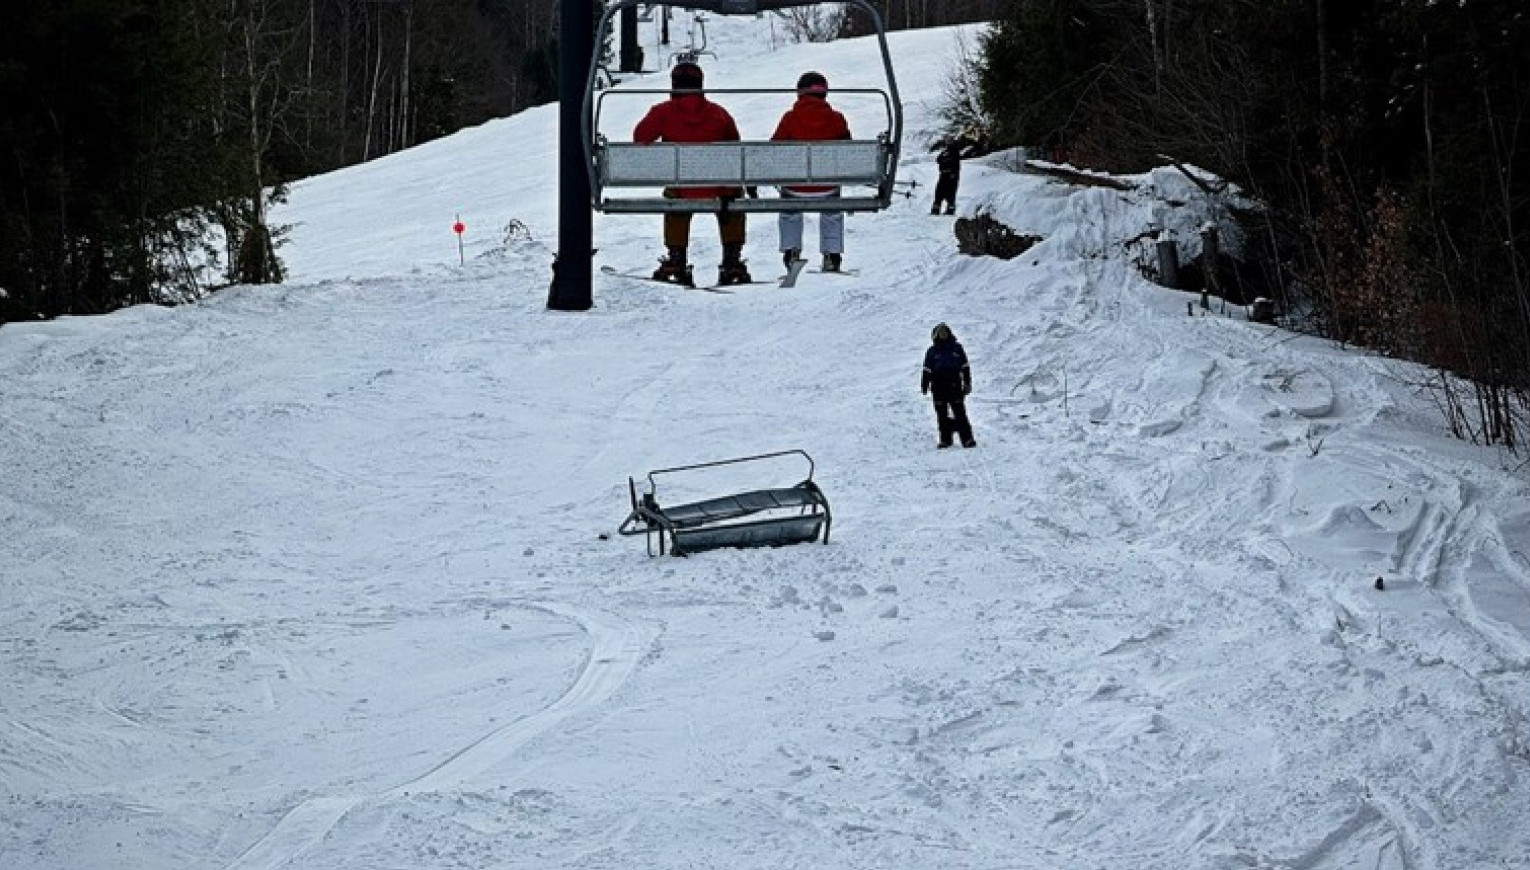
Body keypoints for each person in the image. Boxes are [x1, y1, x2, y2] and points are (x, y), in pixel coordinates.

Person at [633, 61, 752, 287]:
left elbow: (640, 137)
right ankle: (732, 261)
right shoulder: (719, 114)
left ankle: (676, 260)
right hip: (720, 190)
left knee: (675, 196)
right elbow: (735, 148)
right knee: (734, 195)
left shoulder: (663, 112)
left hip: (683, 188)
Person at [770, 71, 851, 273]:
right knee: (832, 211)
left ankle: (791, 251)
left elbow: (774, 149)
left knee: (790, 211)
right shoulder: (836, 118)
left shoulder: (790, 118)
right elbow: (849, 150)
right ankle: (832, 255)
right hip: (827, 186)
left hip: (796, 187)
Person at [921, 322, 976, 448]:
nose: (943, 334)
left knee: (960, 413)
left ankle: (967, 439)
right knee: (942, 414)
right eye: (940, 333)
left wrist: (967, 383)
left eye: (945, 332)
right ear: (936, 335)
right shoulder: (932, 351)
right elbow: (927, 369)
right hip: (938, 387)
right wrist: (924, 384)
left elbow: (965, 367)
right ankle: (945, 439)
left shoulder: (957, 348)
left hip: (954, 385)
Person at [930, 130, 980, 216]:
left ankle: (950, 210)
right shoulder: (945, 151)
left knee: (950, 194)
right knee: (939, 193)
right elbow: (938, 159)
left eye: (950, 140)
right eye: (947, 140)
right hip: (943, 175)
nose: (948, 142)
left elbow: (956, 163)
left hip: (951, 176)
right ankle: (935, 209)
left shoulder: (954, 151)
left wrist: (953, 173)